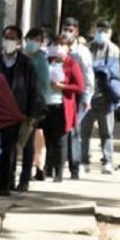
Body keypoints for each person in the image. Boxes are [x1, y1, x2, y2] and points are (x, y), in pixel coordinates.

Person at [0, 26, 45, 196]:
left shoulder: (26, 64)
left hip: (14, 112)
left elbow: (33, 90)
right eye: (6, 37)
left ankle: (4, 184)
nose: (9, 41)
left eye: (13, 38)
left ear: (19, 42)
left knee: (9, 150)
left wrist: (30, 114)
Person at [81, 19, 120, 175]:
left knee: (107, 132)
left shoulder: (114, 50)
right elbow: (85, 69)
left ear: (110, 33)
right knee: (84, 131)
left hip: (105, 97)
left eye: (105, 31)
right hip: (89, 97)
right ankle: (83, 161)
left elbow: (114, 73)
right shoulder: (87, 48)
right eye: (99, 30)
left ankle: (108, 161)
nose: (102, 34)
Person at [42, 37, 85, 182]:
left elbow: (79, 87)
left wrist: (63, 86)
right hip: (47, 104)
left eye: (62, 45)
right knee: (48, 139)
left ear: (68, 48)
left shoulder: (71, 64)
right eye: (56, 44)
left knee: (60, 140)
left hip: (62, 106)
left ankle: (58, 171)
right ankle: (47, 168)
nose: (59, 47)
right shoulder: (48, 61)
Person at [60, 17, 94, 180]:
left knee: (73, 130)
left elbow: (88, 77)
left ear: (77, 31)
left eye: (71, 29)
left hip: (76, 94)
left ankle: (74, 167)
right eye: (65, 28)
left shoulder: (82, 52)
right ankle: (54, 165)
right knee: (57, 130)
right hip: (58, 92)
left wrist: (87, 97)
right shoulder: (57, 47)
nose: (67, 31)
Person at [18, 27, 50, 191]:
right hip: (16, 105)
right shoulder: (19, 56)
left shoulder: (41, 60)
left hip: (33, 106)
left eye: (38, 40)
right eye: (32, 38)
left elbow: (44, 85)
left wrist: (36, 105)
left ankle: (24, 178)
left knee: (28, 142)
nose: (34, 42)